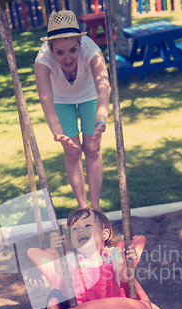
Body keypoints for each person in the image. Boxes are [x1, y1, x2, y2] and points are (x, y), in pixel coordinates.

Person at [35, 11, 110, 210]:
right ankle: (84, 208)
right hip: (61, 100)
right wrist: (57, 131)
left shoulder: (92, 51)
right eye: (59, 52)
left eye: (73, 50)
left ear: (80, 43)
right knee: (72, 151)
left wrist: (101, 118)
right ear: (51, 49)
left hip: (89, 95)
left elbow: (103, 87)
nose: (67, 58)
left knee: (92, 148)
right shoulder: (42, 59)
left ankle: (96, 207)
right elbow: (46, 99)